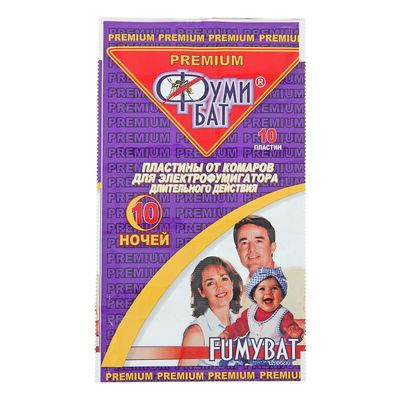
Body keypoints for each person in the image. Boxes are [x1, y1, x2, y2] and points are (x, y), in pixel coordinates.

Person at [219, 268, 303, 365]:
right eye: (262, 289)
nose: (268, 292)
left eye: (274, 288)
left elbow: (290, 331)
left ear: (282, 295)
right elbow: (239, 326)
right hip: (251, 350)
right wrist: (228, 333)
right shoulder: (250, 312)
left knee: (267, 364)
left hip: (272, 356)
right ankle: (232, 364)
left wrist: (293, 334)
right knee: (234, 349)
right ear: (254, 296)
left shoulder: (283, 315)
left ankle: (250, 367)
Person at [178, 256, 243, 366]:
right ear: (202, 292)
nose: (220, 287)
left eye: (224, 279)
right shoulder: (197, 333)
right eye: (211, 283)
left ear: (232, 283)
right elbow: (182, 376)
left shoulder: (241, 324)